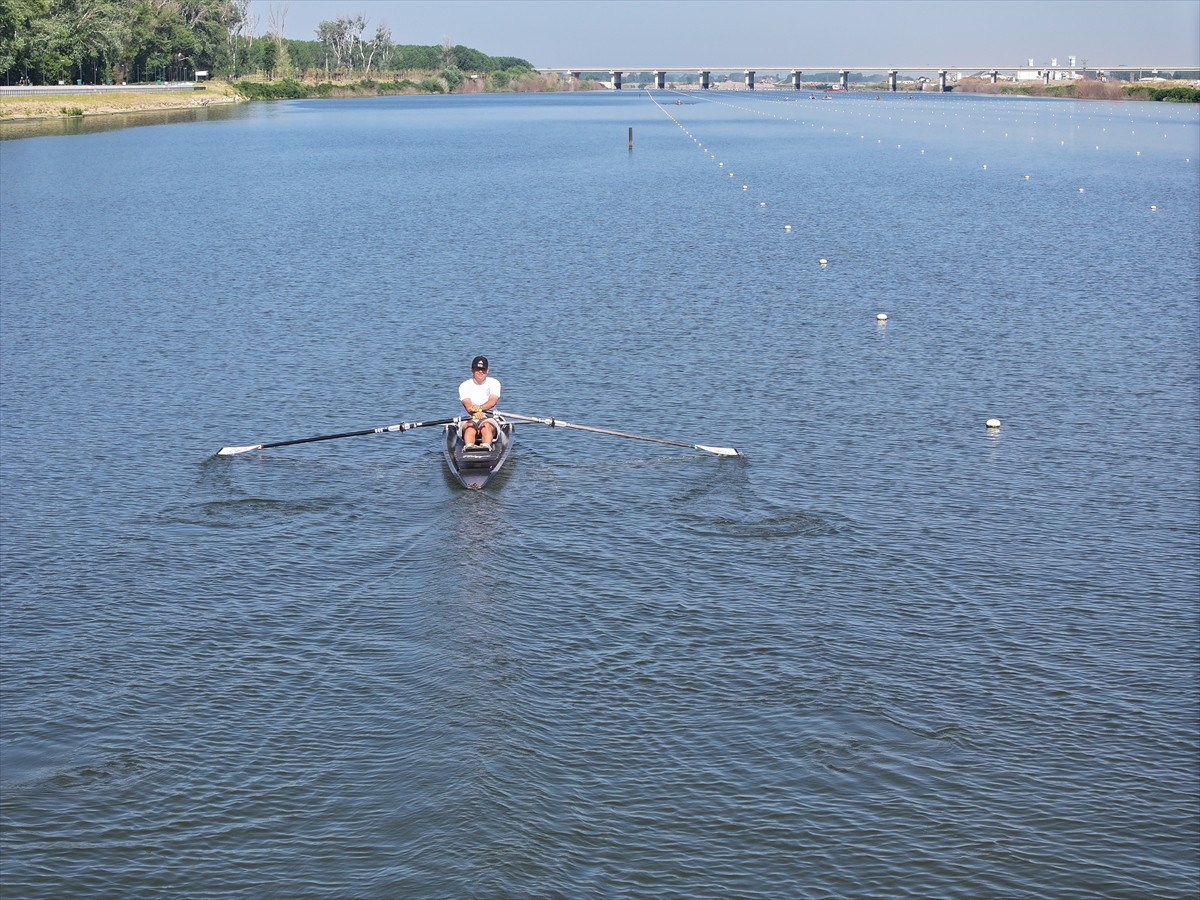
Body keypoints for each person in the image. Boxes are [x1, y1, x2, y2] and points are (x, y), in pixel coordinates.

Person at [459, 355, 501, 449]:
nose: (480, 371)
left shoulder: (494, 383)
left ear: (487, 370)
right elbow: (467, 404)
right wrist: (474, 412)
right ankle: (469, 447)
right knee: (470, 427)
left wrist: (480, 409)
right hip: (468, 417)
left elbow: (492, 401)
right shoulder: (464, 386)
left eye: (483, 369)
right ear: (472, 369)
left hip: (489, 417)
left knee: (486, 426)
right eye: (477, 369)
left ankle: (486, 447)